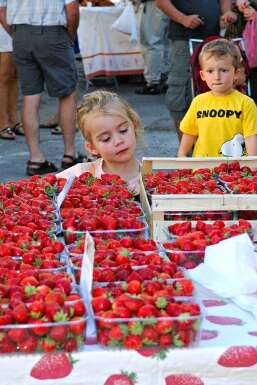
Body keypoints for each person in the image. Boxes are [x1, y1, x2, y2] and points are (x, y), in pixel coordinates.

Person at [0, 0, 81, 176]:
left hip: (20, 34)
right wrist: (70, 38)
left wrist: (17, 34)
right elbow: (72, 10)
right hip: (53, 32)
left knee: (30, 94)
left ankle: (35, 158)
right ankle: (70, 154)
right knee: (67, 93)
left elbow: (1, 11)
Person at [156, 0, 237, 140]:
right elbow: (160, 1)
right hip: (184, 38)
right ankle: (187, 153)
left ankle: (210, 146)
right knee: (181, 95)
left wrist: (226, 13)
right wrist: (183, 19)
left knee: (217, 91)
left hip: (214, 38)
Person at [177, 39, 257, 158]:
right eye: (210, 71)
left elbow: (250, 136)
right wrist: (182, 155)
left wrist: (252, 165)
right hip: (202, 169)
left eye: (223, 70)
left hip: (236, 170)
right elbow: (189, 132)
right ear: (203, 75)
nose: (217, 77)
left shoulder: (246, 103)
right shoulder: (198, 102)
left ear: (236, 73)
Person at [57, 90, 141, 197]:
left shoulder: (154, 178)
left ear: (135, 126)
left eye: (123, 130)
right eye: (106, 139)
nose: (118, 141)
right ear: (91, 147)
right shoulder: (79, 174)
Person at [135, 0, 171, 95]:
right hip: (172, 5)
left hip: (155, 4)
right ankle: (166, 77)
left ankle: (153, 82)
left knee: (152, 42)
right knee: (168, 42)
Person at [0, 23, 19, 140]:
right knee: (4, 75)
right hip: (4, 22)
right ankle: (3, 123)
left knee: (14, 75)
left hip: (15, 21)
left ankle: (13, 120)